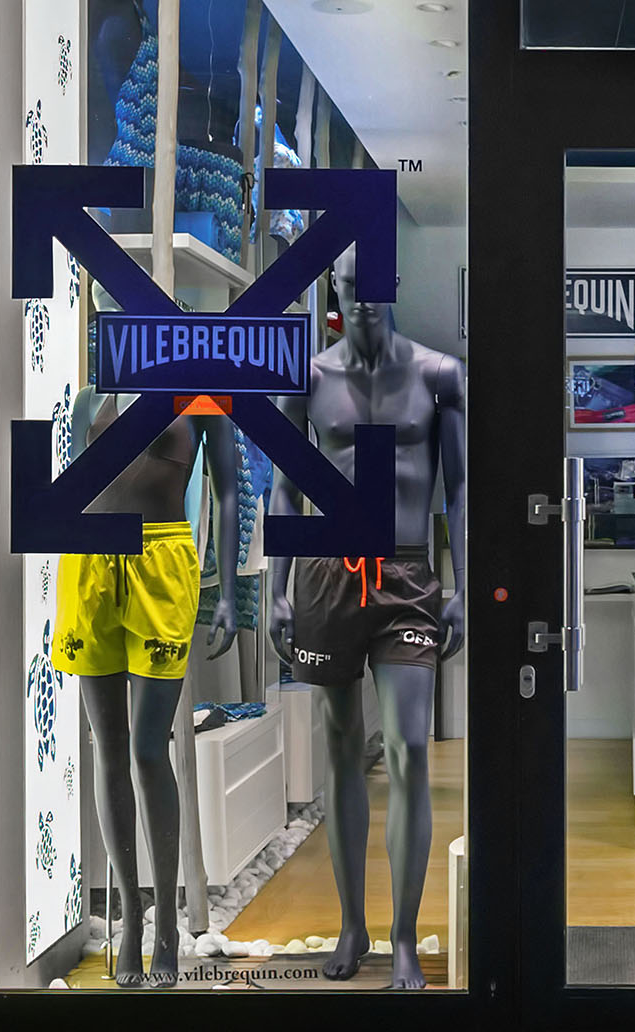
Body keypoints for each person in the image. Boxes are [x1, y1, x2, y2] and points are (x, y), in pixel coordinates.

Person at [269, 247, 466, 990]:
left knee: (410, 747)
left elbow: (461, 490)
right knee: (343, 744)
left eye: (375, 287)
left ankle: (405, 937)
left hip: (408, 574)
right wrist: (278, 587)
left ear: (395, 287)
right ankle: (353, 925)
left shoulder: (439, 375)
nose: (364, 300)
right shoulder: (311, 378)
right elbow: (286, 488)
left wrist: (463, 585)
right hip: (328, 573)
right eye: (352, 288)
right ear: (336, 288)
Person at [52, 313, 239, 988]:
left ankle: (166, 924)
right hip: (90, 563)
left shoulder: (202, 399)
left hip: (161, 563)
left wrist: (227, 591)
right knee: (107, 746)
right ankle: (130, 916)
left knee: (147, 747)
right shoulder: (88, 400)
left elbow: (228, 491)